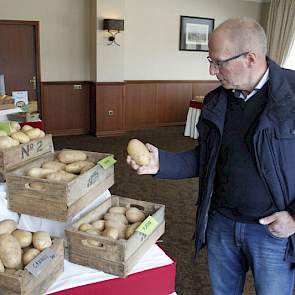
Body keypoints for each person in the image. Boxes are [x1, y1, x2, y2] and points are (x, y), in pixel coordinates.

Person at [127, 17, 295, 295]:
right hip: (221, 224)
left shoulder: (291, 94)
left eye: (218, 62)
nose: (211, 70)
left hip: (273, 232)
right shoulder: (217, 100)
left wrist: (293, 216)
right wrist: (162, 163)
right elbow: (206, 158)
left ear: (250, 58)